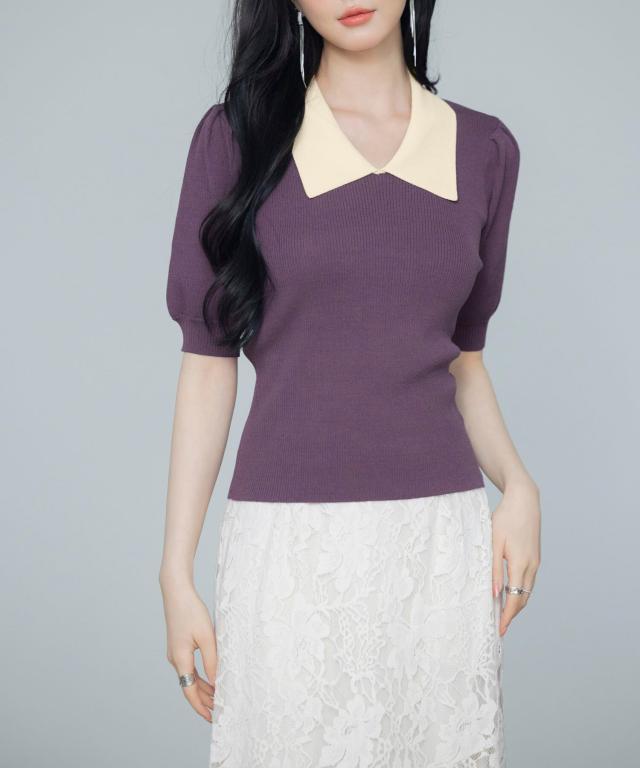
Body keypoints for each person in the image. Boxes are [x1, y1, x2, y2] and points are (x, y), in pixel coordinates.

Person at [159, 1, 542, 765]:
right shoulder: (237, 140)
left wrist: (519, 485)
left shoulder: (484, 150)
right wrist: (175, 572)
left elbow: (460, 358)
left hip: (436, 547)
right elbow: (207, 363)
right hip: (291, 550)